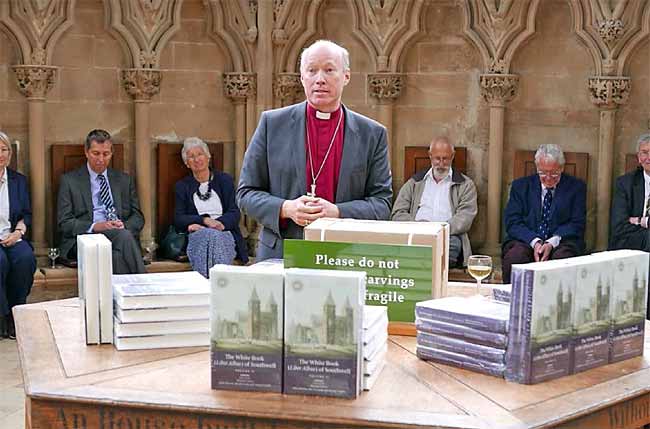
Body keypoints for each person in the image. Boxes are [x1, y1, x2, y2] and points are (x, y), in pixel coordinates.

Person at [237, 40, 392, 260]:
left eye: (329, 70)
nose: (320, 79)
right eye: (312, 71)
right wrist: (287, 208)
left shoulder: (372, 134)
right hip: (282, 253)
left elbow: (382, 203)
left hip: (345, 254)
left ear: (346, 76)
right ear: (302, 77)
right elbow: (246, 194)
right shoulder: (272, 124)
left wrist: (338, 212)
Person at [57, 129, 145, 274]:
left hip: (119, 237)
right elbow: (64, 223)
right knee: (123, 238)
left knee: (116, 255)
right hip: (85, 237)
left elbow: (138, 217)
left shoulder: (123, 180)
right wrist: (96, 226)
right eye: (96, 153)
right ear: (86, 152)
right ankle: (143, 287)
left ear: (111, 153)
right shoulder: (70, 181)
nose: (101, 159)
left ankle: (122, 296)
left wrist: (123, 225)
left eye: (106, 154)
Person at [501, 144, 586, 283]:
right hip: (526, 240)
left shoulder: (576, 188)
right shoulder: (520, 186)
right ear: (537, 168)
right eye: (543, 173)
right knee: (516, 257)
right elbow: (512, 222)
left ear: (562, 168)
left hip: (561, 241)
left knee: (563, 261)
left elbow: (577, 223)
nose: (548, 178)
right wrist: (535, 242)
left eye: (554, 174)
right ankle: (512, 300)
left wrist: (551, 243)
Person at [391, 136, 477, 268]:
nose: (441, 164)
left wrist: (440, 228)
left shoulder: (465, 185)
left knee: (451, 247)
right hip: (417, 234)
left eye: (445, 159)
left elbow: (465, 218)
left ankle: (419, 267)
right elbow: (397, 213)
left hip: (447, 236)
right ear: (430, 156)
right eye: (437, 158)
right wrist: (418, 227)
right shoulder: (415, 182)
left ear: (452, 156)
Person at [174, 137, 248, 277]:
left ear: (208, 157)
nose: (197, 159)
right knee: (207, 235)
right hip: (199, 233)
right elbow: (179, 218)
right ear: (187, 164)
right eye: (191, 157)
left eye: (200, 154)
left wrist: (219, 224)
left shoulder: (224, 180)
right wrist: (204, 221)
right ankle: (217, 281)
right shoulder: (182, 186)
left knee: (214, 237)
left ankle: (210, 280)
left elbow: (234, 212)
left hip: (224, 231)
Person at [0, 131, 36, 339]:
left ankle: (16, 314)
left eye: (4, 150)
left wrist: (18, 232)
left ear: (10, 154)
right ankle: (2, 315)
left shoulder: (18, 181)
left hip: (12, 236)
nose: (0, 155)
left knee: (25, 259)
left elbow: (26, 214)